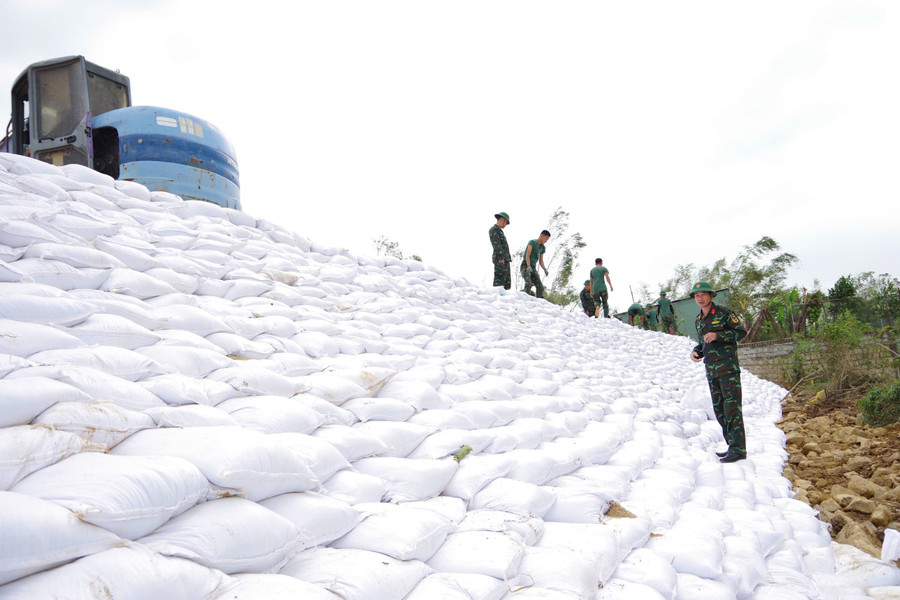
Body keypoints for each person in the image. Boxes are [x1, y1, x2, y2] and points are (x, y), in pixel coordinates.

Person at [689, 281, 747, 463]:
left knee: (732, 409)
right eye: (696, 296)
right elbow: (704, 343)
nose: (700, 298)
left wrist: (718, 335)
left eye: (703, 295)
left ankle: (739, 449)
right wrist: (697, 351)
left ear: (711, 296)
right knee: (720, 410)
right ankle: (731, 446)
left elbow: (740, 333)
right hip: (712, 371)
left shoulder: (724, 313)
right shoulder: (699, 320)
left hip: (727, 369)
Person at [521, 230, 550, 298]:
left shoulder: (542, 247)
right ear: (541, 236)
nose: (546, 241)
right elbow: (527, 255)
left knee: (540, 287)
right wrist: (528, 265)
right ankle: (522, 297)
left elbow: (541, 261)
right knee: (528, 283)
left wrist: (545, 269)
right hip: (525, 265)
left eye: (547, 239)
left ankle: (539, 302)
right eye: (546, 239)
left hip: (533, 268)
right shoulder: (532, 242)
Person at [489, 212, 512, 290]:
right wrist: (500, 257)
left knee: (506, 283)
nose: (505, 225)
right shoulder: (494, 229)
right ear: (503, 219)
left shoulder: (500, 231)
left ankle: (505, 300)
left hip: (505, 259)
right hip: (500, 259)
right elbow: (496, 244)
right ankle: (498, 298)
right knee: (499, 282)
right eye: (506, 223)